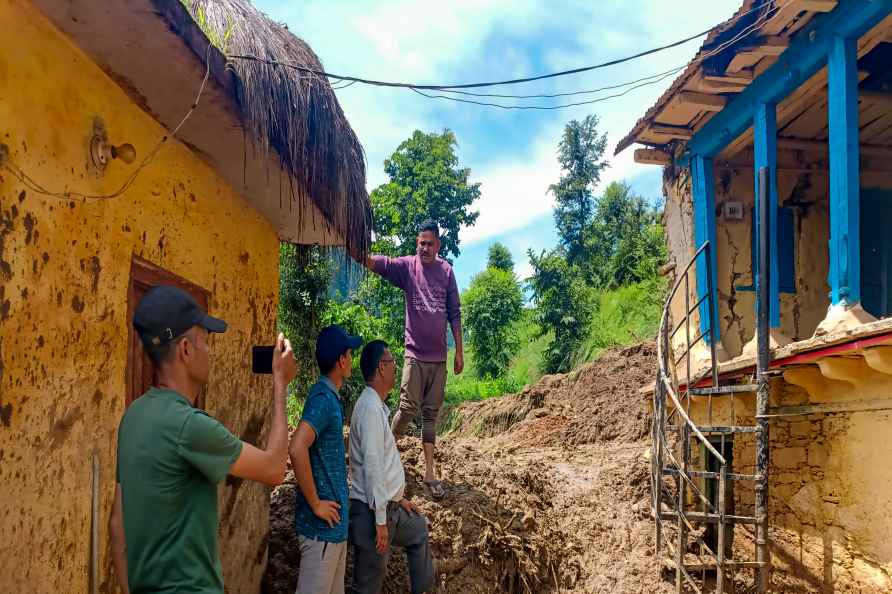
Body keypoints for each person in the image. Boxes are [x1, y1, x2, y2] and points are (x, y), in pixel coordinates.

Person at [109, 285, 296, 594]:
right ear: (185, 350)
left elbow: (118, 524)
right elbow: (275, 469)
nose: (209, 351)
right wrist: (280, 383)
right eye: (205, 341)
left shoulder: (133, 417)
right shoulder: (190, 426)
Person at [366, 220, 463, 498]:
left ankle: (430, 473)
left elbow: (454, 313)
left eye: (430, 243)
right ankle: (382, 454)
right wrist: (362, 256)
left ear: (438, 246)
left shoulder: (446, 272)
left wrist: (459, 351)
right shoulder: (408, 267)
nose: (425, 248)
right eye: (421, 243)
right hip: (415, 355)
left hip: (438, 359)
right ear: (417, 243)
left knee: (430, 415)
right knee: (407, 408)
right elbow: (384, 264)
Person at [348, 340, 435, 594]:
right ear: (381, 368)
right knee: (368, 583)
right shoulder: (370, 411)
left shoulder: (376, 407)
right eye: (392, 362)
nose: (396, 368)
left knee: (418, 528)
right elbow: (374, 467)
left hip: (389, 507)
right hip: (371, 511)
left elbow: (383, 465)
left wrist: (399, 498)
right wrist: (380, 522)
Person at [289, 325, 363, 594]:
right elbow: (296, 447)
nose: (351, 360)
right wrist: (316, 504)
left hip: (332, 532)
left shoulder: (329, 397)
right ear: (341, 360)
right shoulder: (323, 398)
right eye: (350, 354)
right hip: (321, 532)